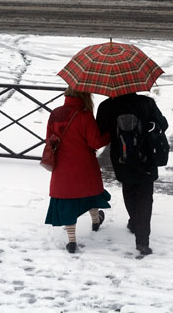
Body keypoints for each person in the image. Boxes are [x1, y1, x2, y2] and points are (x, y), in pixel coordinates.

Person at [96, 92, 168, 255]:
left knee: (128, 189)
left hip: (121, 158)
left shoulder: (107, 106)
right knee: (145, 196)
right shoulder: (147, 103)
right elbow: (163, 124)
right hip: (146, 158)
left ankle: (134, 221)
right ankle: (142, 240)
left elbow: (100, 132)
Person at [45, 88, 111, 254]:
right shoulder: (85, 115)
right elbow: (95, 142)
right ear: (85, 96)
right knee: (91, 194)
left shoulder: (55, 113)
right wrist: (109, 135)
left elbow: (49, 139)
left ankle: (72, 242)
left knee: (67, 201)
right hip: (84, 165)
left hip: (62, 167)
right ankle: (95, 221)